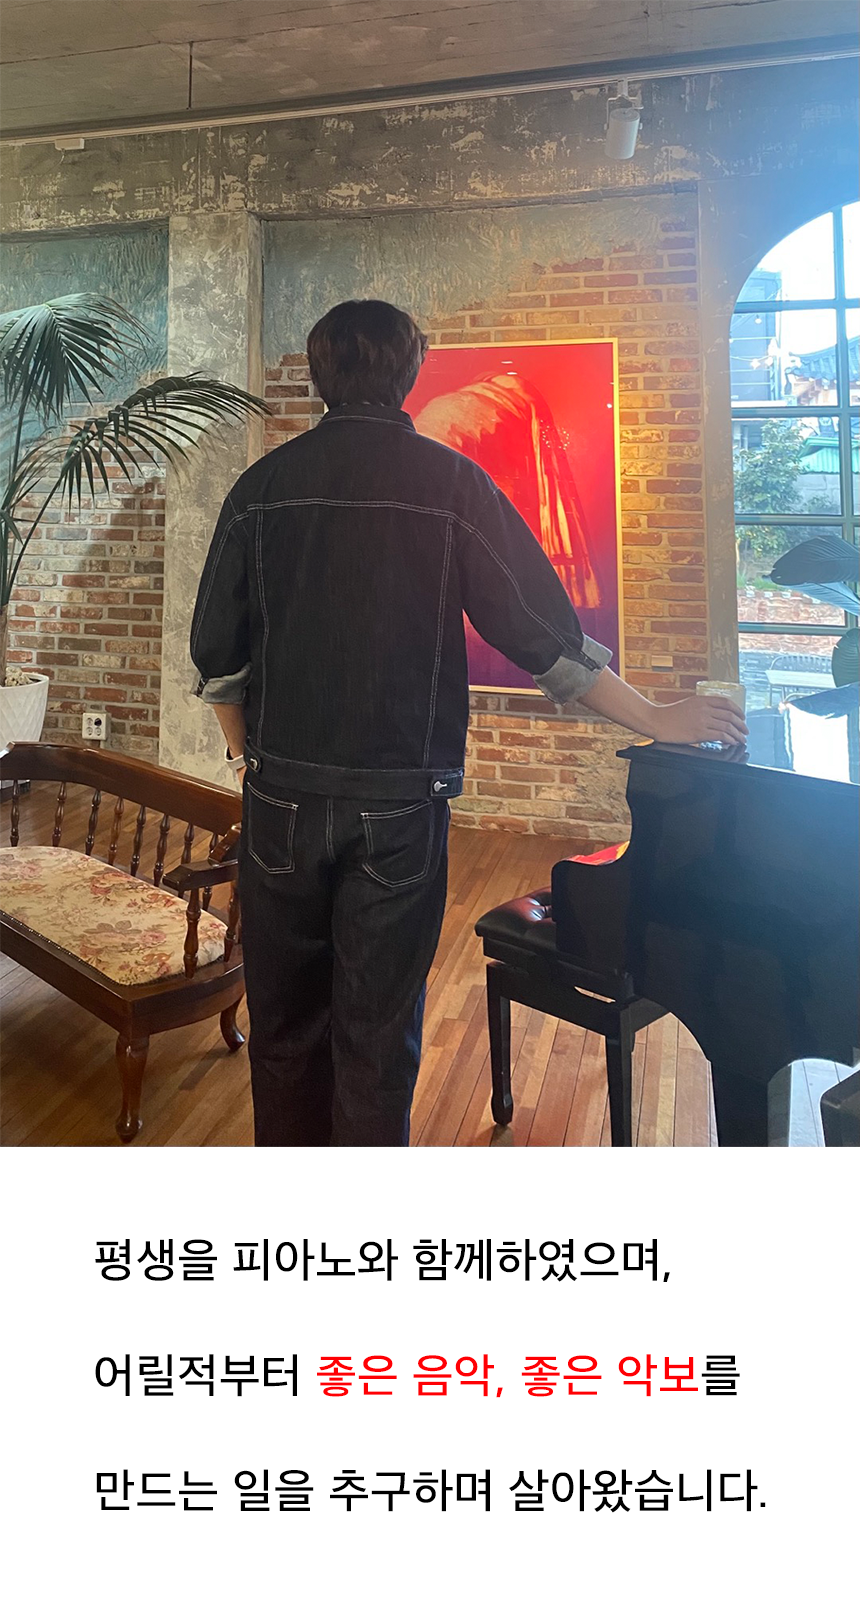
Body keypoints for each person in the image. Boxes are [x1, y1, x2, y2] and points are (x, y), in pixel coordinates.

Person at [190, 299, 746, 1148]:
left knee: (285, 1027)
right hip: (402, 809)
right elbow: (545, 641)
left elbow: (217, 657)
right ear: (410, 373)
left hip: (281, 801)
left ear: (319, 373)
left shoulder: (259, 489)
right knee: (378, 1036)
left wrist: (244, 758)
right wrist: (656, 716)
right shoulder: (453, 485)